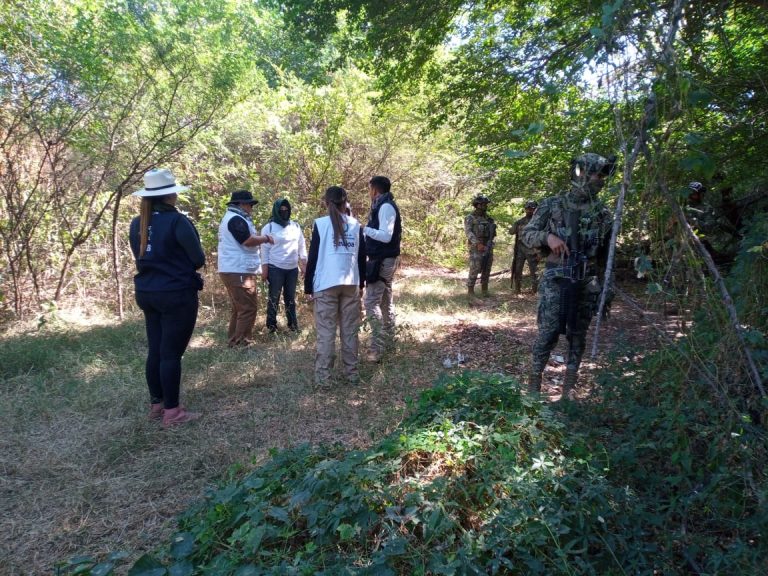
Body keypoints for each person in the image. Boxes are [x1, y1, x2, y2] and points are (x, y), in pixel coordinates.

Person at [522, 153, 617, 399]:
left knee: (578, 334)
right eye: (596, 174)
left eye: (602, 175)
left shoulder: (603, 214)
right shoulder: (553, 204)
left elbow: (608, 257)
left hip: (587, 281)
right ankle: (534, 387)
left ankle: (568, 389)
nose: (600, 180)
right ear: (581, 173)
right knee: (548, 332)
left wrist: (608, 289)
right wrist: (547, 237)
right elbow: (528, 234)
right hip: (557, 279)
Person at [128, 168, 205, 427]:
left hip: (147, 291)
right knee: (171, 353)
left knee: (157, 349)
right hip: (176, 293)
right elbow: (198, 259)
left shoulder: (138, 222)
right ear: (171, 194)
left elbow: (141, 256)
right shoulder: (177, 222)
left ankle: (157, 403)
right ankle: (173, 412)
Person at [304, 186, 367, 388]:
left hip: (326, 283)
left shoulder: (320, 224)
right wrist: (362, 284)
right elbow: (361, 258)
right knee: (349, 331)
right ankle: (352, 374)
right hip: (351, 283)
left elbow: (313, 258)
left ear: (326, 202)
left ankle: (323, 379)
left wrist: (308, 287)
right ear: (345, 202)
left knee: (326, 332)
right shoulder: (356, 224)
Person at [217, 190, 274, 347]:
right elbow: (247, 240)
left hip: (234, 268)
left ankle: (234, 341)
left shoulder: (234, 218)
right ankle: (242, 343)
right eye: (249, 204)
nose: (251, 207)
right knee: (248, 308)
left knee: (239, 308)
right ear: (241, 204)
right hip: (238, 269)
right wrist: (266, 238)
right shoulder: (236, 220)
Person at [362, 175, 402, 363]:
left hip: (383, 260)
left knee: (371, 301)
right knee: (385, 299)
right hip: (383, 258)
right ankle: (390, 341)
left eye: (370, 189)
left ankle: (376, 348)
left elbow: (386, 236)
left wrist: (364, 230)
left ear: (375, 190)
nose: (369, 192)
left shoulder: (385, 207)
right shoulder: (381, 205)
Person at [260, 198, 308, 333]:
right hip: (275, 268)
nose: (284, 212)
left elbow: (301, 245)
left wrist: (304, 263)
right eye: (281, 210)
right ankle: (271, 326)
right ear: (276, 211)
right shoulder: (268, 228)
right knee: (273, 297)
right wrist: (265, 270)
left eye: (286, 210)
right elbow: (264, 251)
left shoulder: (295, 226)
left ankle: (293, 326)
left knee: (290, 298)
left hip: (292, 269)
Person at [464, 194, 496, 301]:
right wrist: (477, 243)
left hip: (488, 246)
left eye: (486, 204)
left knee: (487, 267)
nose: (485, 206)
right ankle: (470, 291)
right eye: (483, 204)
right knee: (475, 267)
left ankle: (484, 290)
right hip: (476, 247)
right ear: (477, 205)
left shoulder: (489, 219)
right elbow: (468, 232)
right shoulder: (470, 218)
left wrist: (489, 244)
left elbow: (492, 233)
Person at [509, 200, 540, 294]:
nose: (530, 210)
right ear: (525, 209)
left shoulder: (539, 222)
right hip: (520, 250)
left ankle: (535, 290)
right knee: (517, 270)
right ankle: (517, 289)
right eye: (528, 208)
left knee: (534, 271)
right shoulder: (520, 222)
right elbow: (511, 232)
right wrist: (514, 226)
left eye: (532, 209)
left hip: (533, 250)